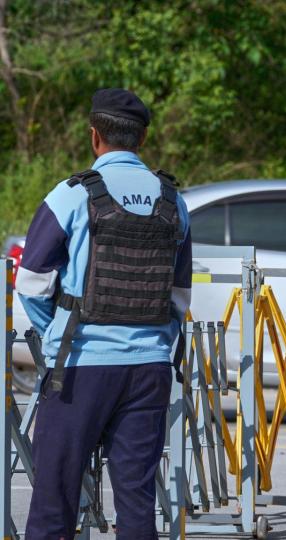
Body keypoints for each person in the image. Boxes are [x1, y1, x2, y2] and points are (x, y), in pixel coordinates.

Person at [17, 88, 191, 539]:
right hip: (149, 369)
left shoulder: (71, 195)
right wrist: (152, 340)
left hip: (79, 368)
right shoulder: (172, 200)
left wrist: (54, 334)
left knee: (54, 500)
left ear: (94, 136)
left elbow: (31, 282)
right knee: (136, 502)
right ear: (143, 138)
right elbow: (179, 297)